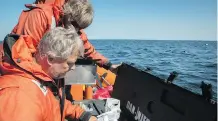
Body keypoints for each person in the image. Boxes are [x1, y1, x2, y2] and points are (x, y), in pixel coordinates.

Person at [0, 27, 97, 121]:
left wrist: (82, 115)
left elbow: (53, 103)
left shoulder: (42, 76)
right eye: (69, 63)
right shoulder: (18, 97)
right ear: (50, 59)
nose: (73, 68)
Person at [12, 0, 120, 71]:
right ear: (68, 16)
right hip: (18, 68)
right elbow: (26, 53)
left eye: (80, 27)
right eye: (75, 25)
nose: (76, 30)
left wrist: (108, 65)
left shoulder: (73, 28)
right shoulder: (39, 16)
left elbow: (88, 49)